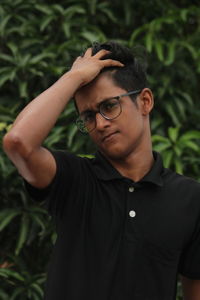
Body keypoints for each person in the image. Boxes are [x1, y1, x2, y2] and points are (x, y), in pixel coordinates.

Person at [3, 41, 200, 300]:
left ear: (145, 101)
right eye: (88, 116)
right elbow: (18, 143)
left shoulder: (189, 198)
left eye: (109, 107)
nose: (100, 123)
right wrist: (74, 77)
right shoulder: (73, 180)